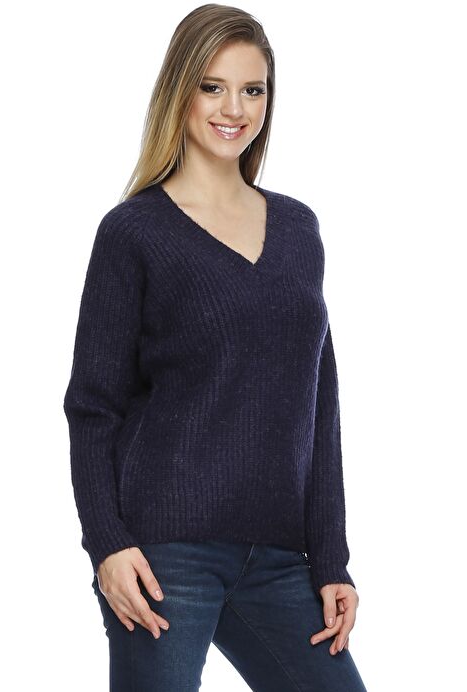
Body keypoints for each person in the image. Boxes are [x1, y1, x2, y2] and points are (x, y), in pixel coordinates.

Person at [63, 4, 368, 690]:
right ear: (181, 92)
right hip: (164, 556)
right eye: (213, 87)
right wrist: (108, 545)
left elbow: (318, 406)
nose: (234, 108)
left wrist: (331, 560)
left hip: (282, 560)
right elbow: (93, 407)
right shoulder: (134, 232)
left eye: (252, 89)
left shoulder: (298, 229)